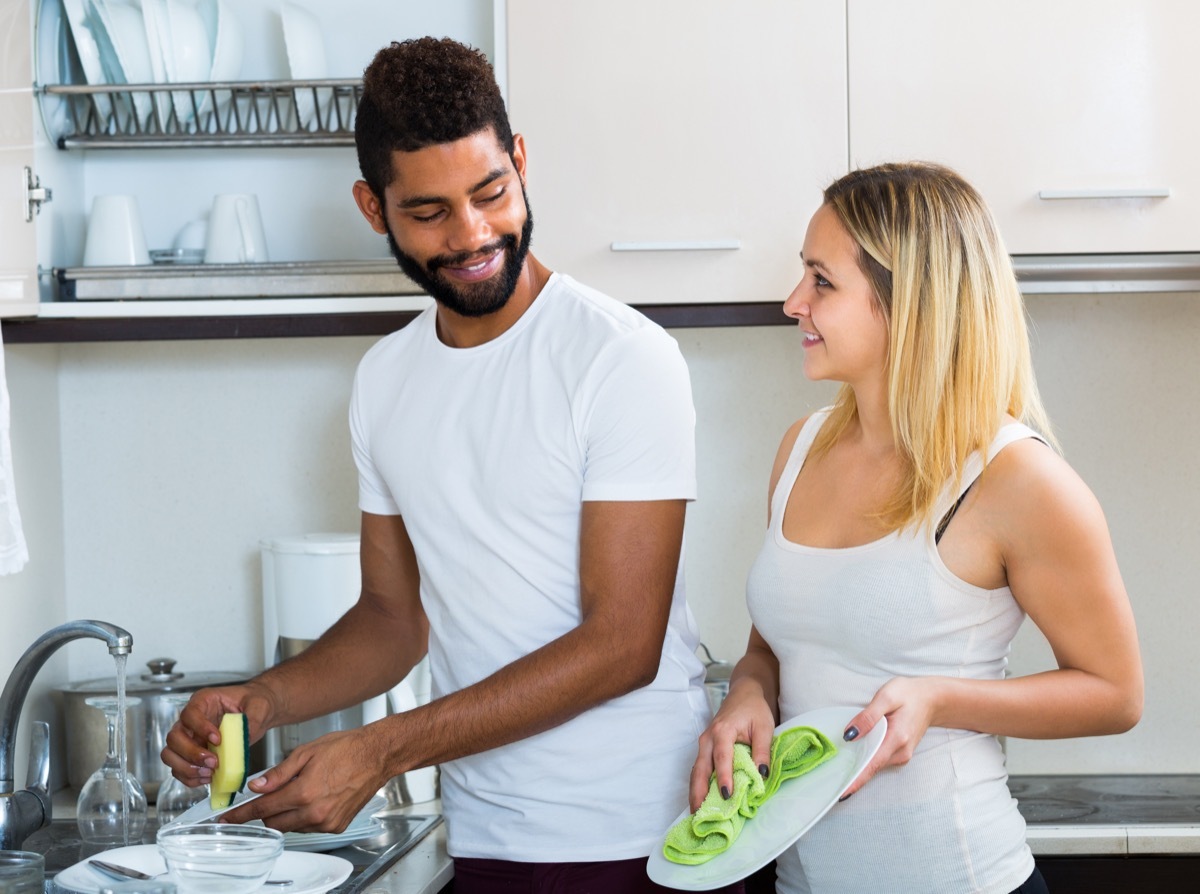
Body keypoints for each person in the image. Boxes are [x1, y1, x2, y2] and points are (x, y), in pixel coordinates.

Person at [162, 37, 739, 893]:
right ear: (373, 207)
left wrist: (381, 749)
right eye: (429, 212)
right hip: (486, 840)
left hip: (638, 837)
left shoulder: (620, 359)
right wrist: (264, 701)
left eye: (491, 192)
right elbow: (395, 618)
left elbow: (624, 643)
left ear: (520, 160)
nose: (473, 235)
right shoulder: (385, 380)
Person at [688, 162, 1143, 893]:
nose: (792, 302)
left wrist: (940, 698)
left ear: (909, 302)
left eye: (821, 281)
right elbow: (773, 649)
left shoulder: (1016, 479)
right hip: (803, 880)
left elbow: (1116, 693)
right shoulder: (799, 450)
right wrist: (748, 692)